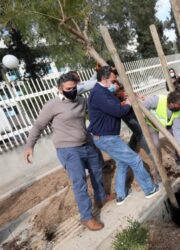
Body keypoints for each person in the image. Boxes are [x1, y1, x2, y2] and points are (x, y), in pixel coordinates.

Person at [24, 72, 113, 231]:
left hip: (87, 143)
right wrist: (30, 146)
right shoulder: (52, 105)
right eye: (68, 88)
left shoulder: (80, 100)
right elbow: (38, 126)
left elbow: (94, 109)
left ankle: (101, 197)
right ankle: (86, 217)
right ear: (60, 89)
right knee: (79, 182)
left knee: (97, 170)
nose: (72, 90)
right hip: (68, 149)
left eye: (74, 87)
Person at [88, 66, 159, 205]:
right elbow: (117, 111)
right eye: (113, 81)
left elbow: (114, 106)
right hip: (106, 138)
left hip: (105, 137)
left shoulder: (102, 91)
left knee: (122, 162)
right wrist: (127, 103)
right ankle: (149, 189)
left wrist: (125, 101)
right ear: (104, 79)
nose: (115, 84)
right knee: (135, 159)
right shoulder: (99, 94)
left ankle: (120, 195)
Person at [143, 91, 180, 166]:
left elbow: (177, 129)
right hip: (152, 126)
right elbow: (143, 107)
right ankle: (159, 166)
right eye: (179, 105)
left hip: (167, 125)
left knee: (179, 139)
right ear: (171, 103)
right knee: (156, 146)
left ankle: (179, 158)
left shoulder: (178, 110)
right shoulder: (157, 100)